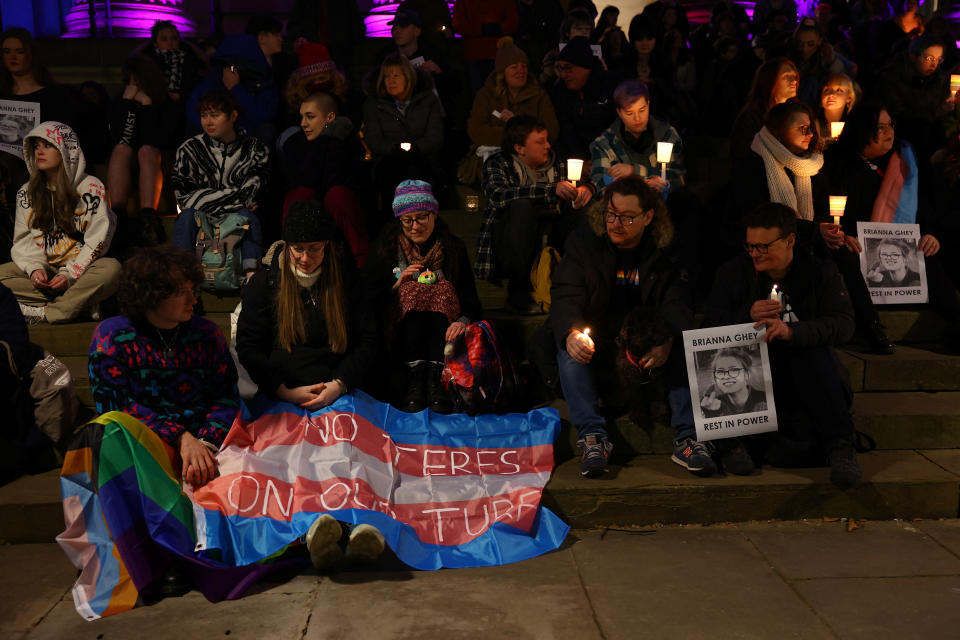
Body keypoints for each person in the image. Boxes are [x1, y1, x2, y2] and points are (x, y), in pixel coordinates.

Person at [537, 175, 715, 478]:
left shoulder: (666, 248)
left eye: (627, 217)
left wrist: (667, 338)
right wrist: (570, 332)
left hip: (646, 335)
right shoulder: (585, 241)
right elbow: (566, 293)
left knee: (685, 343)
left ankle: (688, 437)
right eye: (611, 213)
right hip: (601, 335)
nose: (616, 223)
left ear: (648, 217)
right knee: (569, 351)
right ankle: (593, 437)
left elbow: (678, 302)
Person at [704, 203, 861, 488]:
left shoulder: (818, 271)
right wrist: (746, 317)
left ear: (790, 241)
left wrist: (791, 331)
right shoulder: (734, 273)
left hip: (805, 373)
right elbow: (711, 325)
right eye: (750, 246)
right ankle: (731, 441)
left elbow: (843, 323)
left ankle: (840, 446)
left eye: (763, 247)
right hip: (754, 370)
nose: (755, 254)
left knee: (812, 351)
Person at [88, 246, 240, 488]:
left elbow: (226, 396)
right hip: (139, 444)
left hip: (206, 443)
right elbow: (114, 405)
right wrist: (179, 437)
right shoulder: (112, 336)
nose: (193, 300)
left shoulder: (206, 334)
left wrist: (206, 442)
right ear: (151, 294)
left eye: (193, 290)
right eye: (182, 292)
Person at [825, 103, 960, 352]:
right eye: (881, 127)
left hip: (897, 243)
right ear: (862, 130)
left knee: (926, 252)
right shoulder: (837, 164)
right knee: (847, 257)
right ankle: (872, 327)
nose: (889, 132)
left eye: (891, 126)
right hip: (855, 243)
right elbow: (831, 209)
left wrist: (930, 233)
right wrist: (843, 234)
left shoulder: (902, 161)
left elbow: (923, 208)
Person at [236, 199, 377, 412]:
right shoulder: (265, 284)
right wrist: (283, 390)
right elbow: (249, 346)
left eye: (314, 249)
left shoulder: (348, 281)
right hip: (282, 395)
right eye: (297, 249)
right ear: (286, 245)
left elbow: (368, 339)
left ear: (326, 245)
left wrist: (340, 384)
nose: (305, 258)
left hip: (340, 393)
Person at [365, 180, 481, 413]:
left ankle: (435, 378)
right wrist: (397, 284)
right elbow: (369, 296)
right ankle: (415, 378)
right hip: (401, 335)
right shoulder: (386, 249)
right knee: (411, 290)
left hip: (444, 334)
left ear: (434, 215)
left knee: (440, 288)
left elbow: (471, 300)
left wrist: (462, 320)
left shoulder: (452, 249)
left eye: (422, 218)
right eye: (407, 221)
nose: (415, 226)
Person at [0, 122, 119, 325]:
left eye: (47, 145)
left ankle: (49, 312)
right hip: (47, 272)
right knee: (2, 275)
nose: (39, 151)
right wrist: (35, 269)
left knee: (112, 269)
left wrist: (70, 275)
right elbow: (23, 241)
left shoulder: (91, 187)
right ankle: (79, 304)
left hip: (82, 272)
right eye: (36, 146)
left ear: (66, 150)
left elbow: (98, 241)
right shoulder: (26, 193)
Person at [474, 115, 593, 314]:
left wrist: (586, 190)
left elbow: (582, 184)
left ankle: (576, 285)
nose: (547, 146)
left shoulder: (558, 163)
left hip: (554, 235)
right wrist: (550, 190)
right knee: (521, 206)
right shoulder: (499, 163)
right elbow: (497, 194)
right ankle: (519, 291)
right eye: (539, 142)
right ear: (519, 148)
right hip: (512, 244)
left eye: (546, 140)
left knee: (583, 209)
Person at [171, 90, 268, 280]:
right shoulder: (190, 149)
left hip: (236, 220)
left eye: (214, 115)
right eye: (204, 115)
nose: (208, 121)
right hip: (201, 220)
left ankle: (253, 280)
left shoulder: (255, 149)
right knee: (186, 217)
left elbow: (252, 193)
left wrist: (206, 197)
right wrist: (234, 196)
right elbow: (184, 197)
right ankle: (180, 279)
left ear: (233, 116)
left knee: (248, 216)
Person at [278, 92, 368, 267]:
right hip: (310, 216)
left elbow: (338, 182)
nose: (303, 123)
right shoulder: (296, 143)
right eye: (302, 117)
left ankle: (360, 265)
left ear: (330, 117)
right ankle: (291, 261)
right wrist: (321, 143)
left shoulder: (347, 142)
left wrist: (331, 141)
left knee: (338, 195)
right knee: (300, 194)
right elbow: (304, 180)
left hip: (341, 216)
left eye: (310, 117)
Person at [731, 101, 829, 249]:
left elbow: (823, 209)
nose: (809, 134)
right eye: (802, 128)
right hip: (766, 248)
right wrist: (814, 230)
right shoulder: (755, 165)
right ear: (778, 131)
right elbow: (761, 218)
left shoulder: (812, 164)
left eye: (810, 128)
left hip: (810, 243)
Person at [107, 55, 180, 249]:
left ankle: (149, 219)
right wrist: (127, 106)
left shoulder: (164, 103)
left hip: (158, 158)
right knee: (121, 149)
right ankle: (118, 218)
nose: (132, 85)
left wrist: (147, 107)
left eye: (136, 80)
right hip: (130, 160)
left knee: (146, 151)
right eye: (129, 80)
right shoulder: (121, 102)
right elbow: (121, 138)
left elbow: (156, 139)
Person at [362, 53, 444, 218]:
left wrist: (415, 148)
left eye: (396, 76)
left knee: (419, 172)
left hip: (422, 160)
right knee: (390, 173)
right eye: (386, 76)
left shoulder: (428, 100)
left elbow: (435, 136)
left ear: (408, 77)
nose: (390, 80)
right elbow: (373, 138)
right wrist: (394, 148)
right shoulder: (374, 104)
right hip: (388, 161)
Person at [589, 79, 684, 195]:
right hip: (624, 211)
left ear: (648, 104)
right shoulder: (604, 144)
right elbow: (600, 185)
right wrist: (645, 182)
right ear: (619, 112)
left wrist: (634, 171)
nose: (637, 118)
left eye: (642, 110)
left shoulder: (667, 135)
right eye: (629, 113)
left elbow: (676, 178)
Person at [467, 37, 559, 149]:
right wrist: (519, 135)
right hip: (491, 158)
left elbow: (551, 131)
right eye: (514, 67)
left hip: (531, 157)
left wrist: (518, 125)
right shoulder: (486, 95)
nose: (521, 71)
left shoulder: (539, 95)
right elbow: (476, 131)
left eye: (524, 66)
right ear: (502, 73)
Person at [186, 34, 279, 143]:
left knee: (266, 129)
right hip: (215, 139)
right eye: (228, 64)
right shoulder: (213, 80)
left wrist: (235, 88)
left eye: (237, 64)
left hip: (247, 142)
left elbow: (263, 116)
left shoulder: (264, 83)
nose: (232, 69)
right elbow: (193, 111)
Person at [878, 35, 957, 162]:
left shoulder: (939, 79)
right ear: (913, 57)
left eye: (938, 59)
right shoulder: (892, 77)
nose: (934, 64)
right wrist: (935, 113)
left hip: (932, 137)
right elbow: (897, 114)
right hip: (901, 137)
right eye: (929, 58)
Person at [550, 37, 620, 161]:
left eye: (568, 68)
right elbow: (566, 132)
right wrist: (579, 161)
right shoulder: (560, 91)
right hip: (577, 160)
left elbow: (617, 127)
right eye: (560, 68)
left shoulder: (611, 86)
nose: (563, 74)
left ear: (585, 67)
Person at [730, 58, 800, 162]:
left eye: (794, 76)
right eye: (786, 76)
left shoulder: (796, 114)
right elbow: (742, 154)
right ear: (770, 80)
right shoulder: (751, 116)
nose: (794, 81)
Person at [452, 0, 520, 93]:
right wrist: (484, 29)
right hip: (478, 54)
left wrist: (496, 28)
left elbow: (513, 21)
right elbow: (458, 24)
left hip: (495, 53)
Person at [699, 347, 768, 418]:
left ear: (747, 374)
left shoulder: (765, 399)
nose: (726, 376)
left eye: (734, 370)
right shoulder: (712, 405)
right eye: (720, 372)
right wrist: (713, 415)